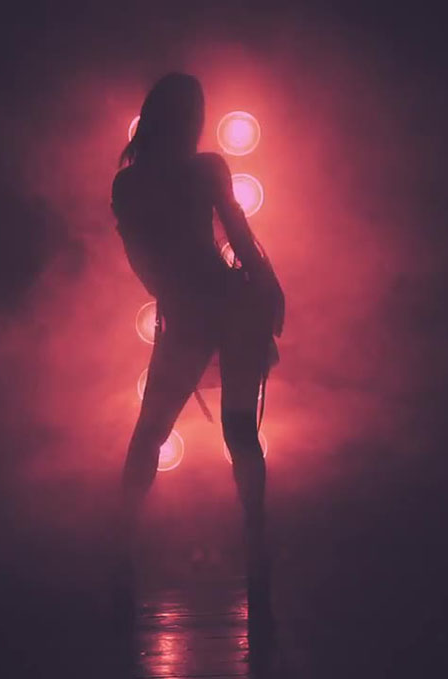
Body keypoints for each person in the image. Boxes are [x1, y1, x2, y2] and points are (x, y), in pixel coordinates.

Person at [110, 73, 284, 618]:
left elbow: (142, 259)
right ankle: (256, 550)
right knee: (239, 432)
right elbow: (238, 235)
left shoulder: (130, 185)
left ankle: (120, 549)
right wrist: (268, 290)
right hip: (228, 305)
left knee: (151, 433)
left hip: (189, 310)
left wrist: (172, 295)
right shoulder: (204, 169)